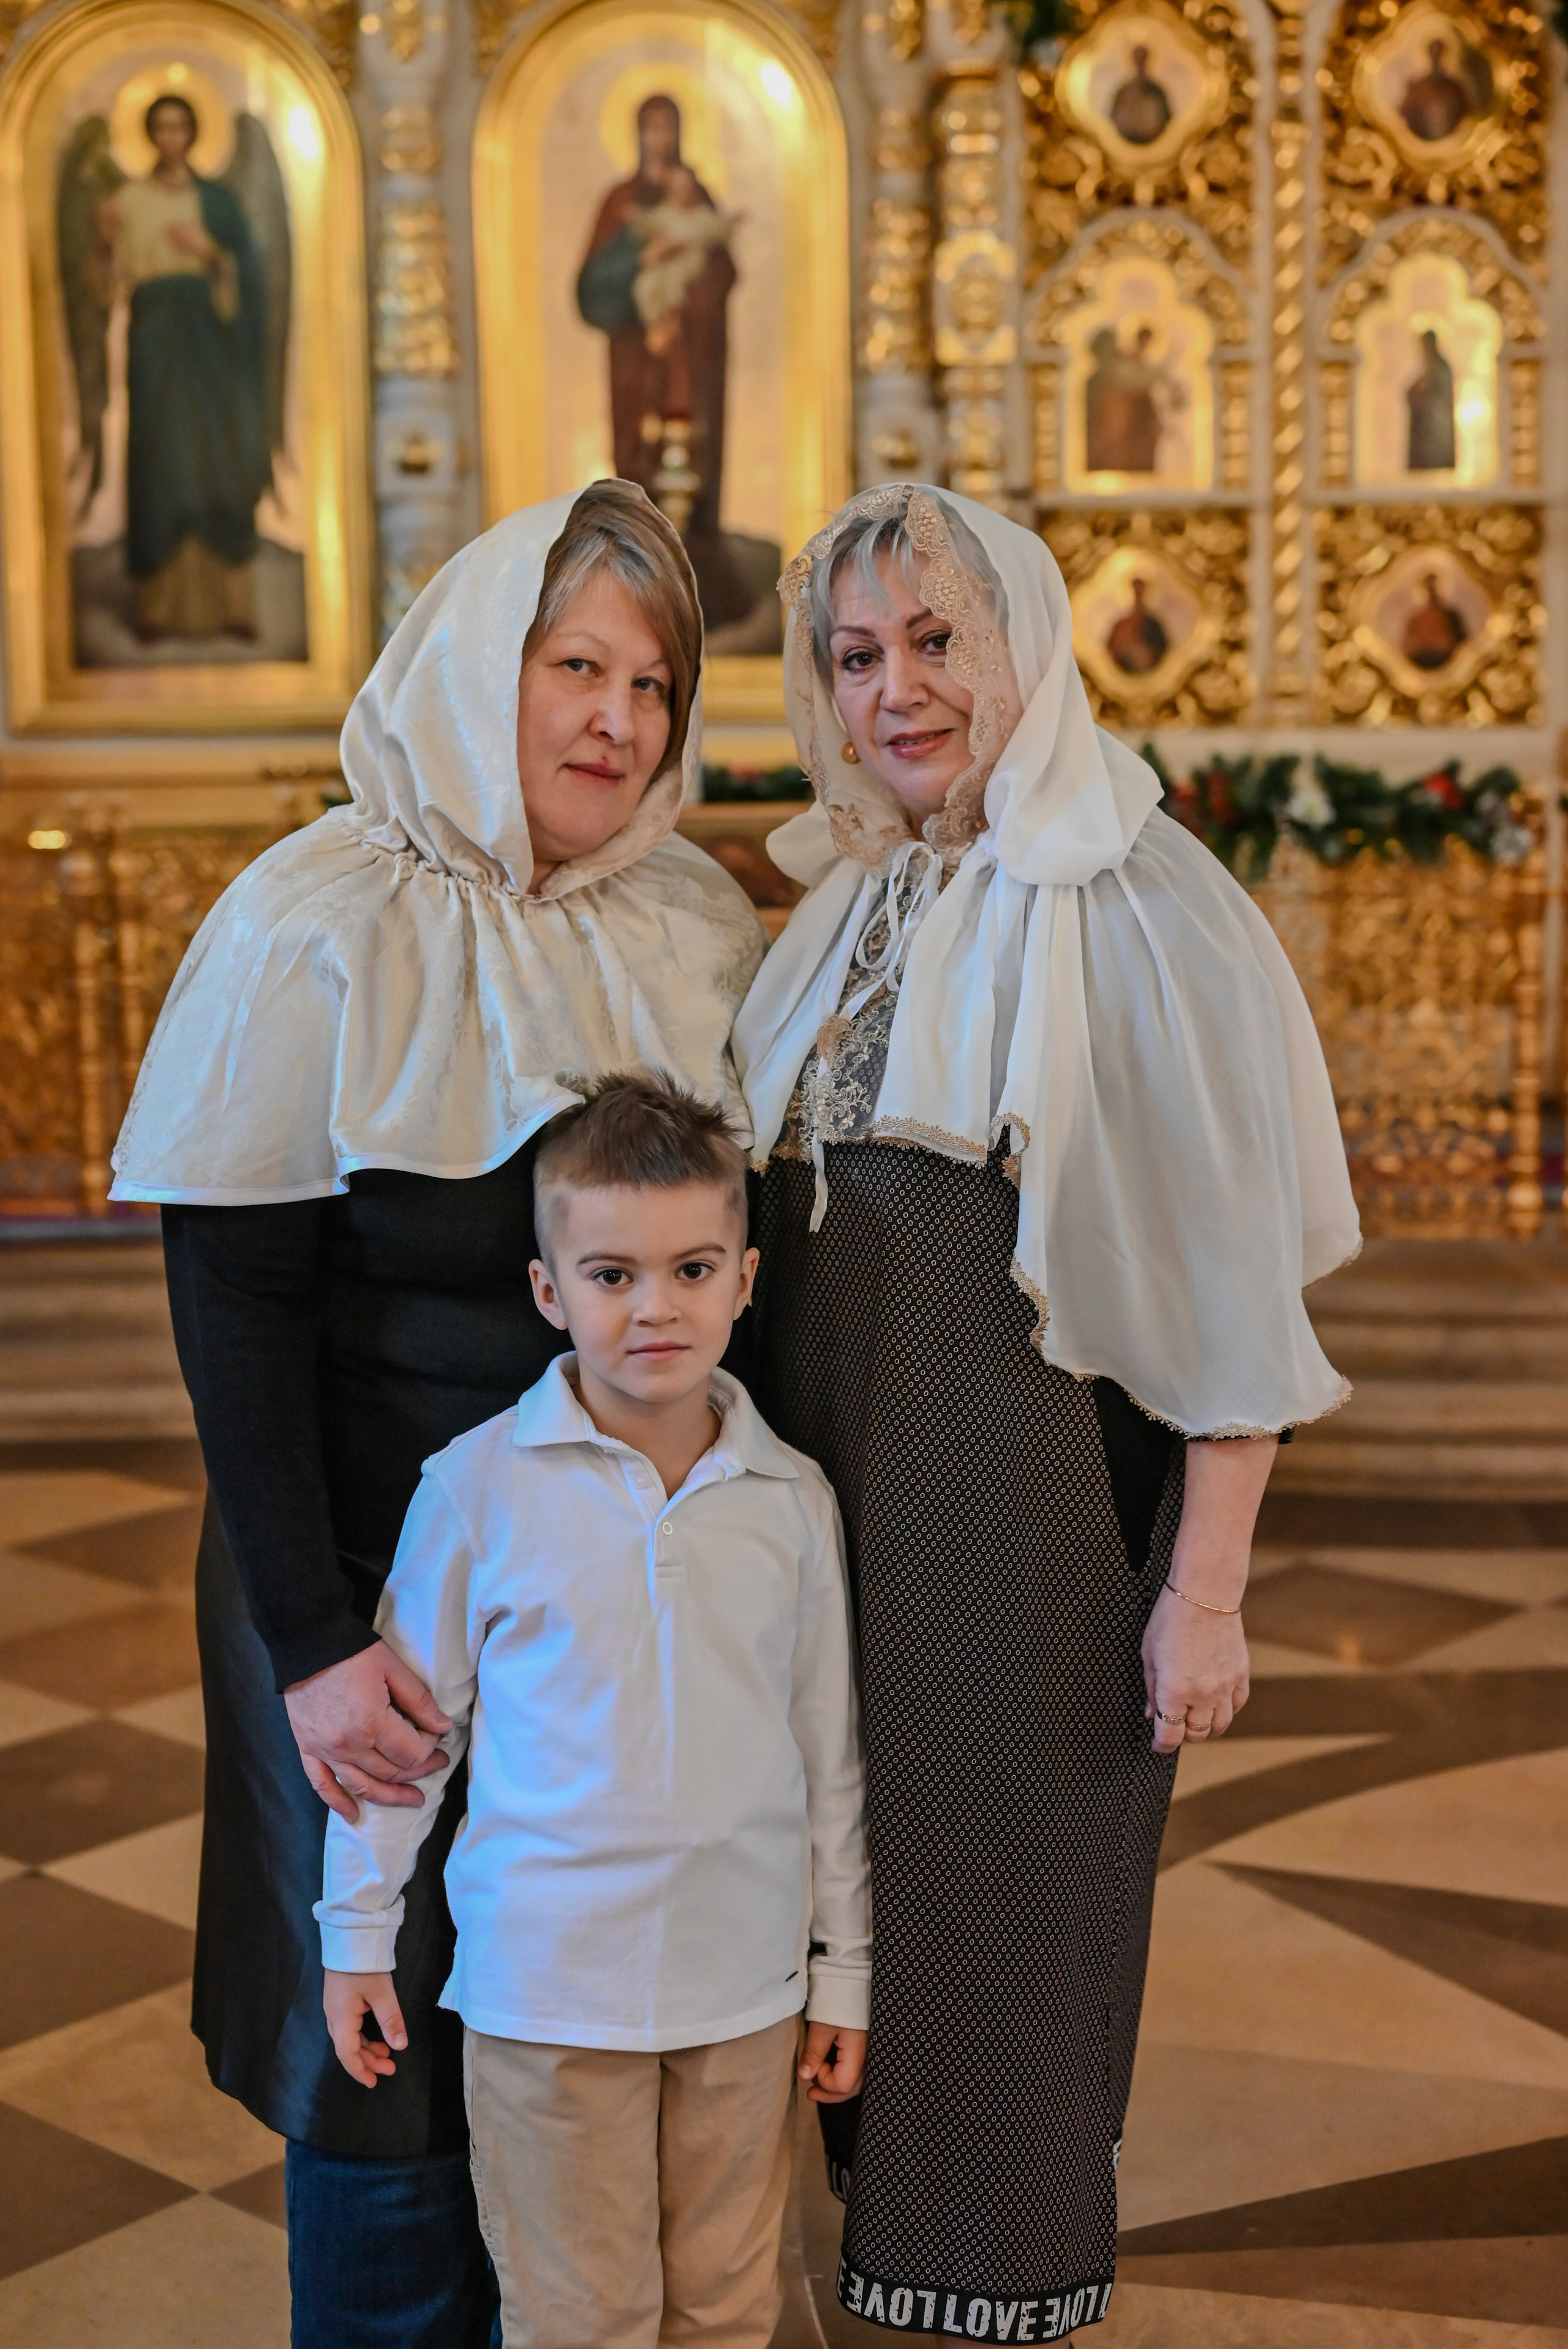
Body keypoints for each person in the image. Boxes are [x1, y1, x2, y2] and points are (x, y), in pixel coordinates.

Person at [109, 481, 768, 2347]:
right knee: (385, 2027)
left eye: (652, 683)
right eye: (575, 666)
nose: (614, 723)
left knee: (577, 2015)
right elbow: (232, 1305)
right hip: (356, 1587)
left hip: (605, 1600)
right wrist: (316, 1639)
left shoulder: (691, 918)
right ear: (481, 665)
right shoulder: (314, 916)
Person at [733, 483, 1359, 2340]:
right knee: (847, 1988)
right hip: (824, 1555)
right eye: (855, 655)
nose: (893, 690)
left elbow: (1229, 1284)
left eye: (937, 640)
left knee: (996, 2014)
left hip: (1021, 1572)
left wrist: (1209, 1591)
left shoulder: (1136, 908)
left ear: (1023, 643)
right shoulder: (837, 902)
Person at [316, 1073, 871, 2348]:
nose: (654, 1308)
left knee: (728, 2305)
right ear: (546, 1291)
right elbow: (406, 1745)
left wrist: (843, 1970)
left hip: (744, 1992)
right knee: (581, 2315)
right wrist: (355, 1933)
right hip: (546, 1996)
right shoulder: (474, 1491)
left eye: (689, 1269)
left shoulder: (789, 1499)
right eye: (610, 1275)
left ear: (743, 1279)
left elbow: (825, 1754)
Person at [94, 94, 271, 639]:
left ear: (193, 134)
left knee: (216, 457)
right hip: (154, 341)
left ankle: (234, 605)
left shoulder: (215, 202)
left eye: (181, 127)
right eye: (162, 127)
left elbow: (252, 274)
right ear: (150, 135)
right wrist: (102, 247)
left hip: (211, 346)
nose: (171, 137)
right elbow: (103, 293)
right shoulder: (126, 201)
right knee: (161, 461)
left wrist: (212, 252)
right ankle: (156, 608)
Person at [576, 95, 750, 627]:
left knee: (692, 452)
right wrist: (644, 260)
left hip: (690, 363)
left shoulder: (698, 198)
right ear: (636, 134)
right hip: (639, 363)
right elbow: (592, 289)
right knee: (638, 459)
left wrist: (690, 282)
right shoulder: (620, 202)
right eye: (649, 128)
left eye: (667, 128)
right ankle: (635, 553)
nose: (659, 139)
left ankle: (697, 556)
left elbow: (722, 272)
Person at [633, 165, 739, 361]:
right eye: (678, 189)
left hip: (687, 261)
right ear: (670, 191)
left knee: (674, 282)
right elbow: (649, 225)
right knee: (646, 285)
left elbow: (720, 228)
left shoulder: (702, 216)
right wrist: (638, 220)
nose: (684, 193)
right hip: (666, 261)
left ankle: (671, 321)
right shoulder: (665, 213)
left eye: (687, 188)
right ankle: (655, 323)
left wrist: (732, 222)